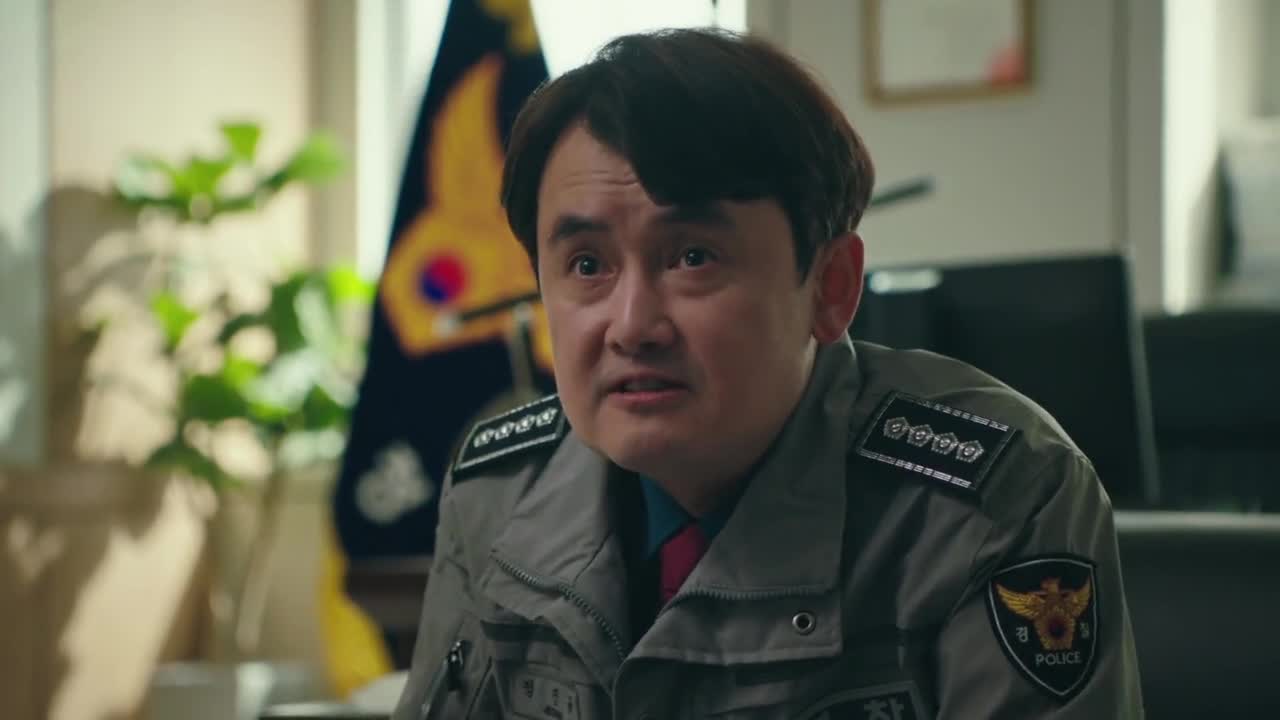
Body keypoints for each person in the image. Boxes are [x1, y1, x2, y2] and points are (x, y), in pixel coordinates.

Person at [393, 27, 1143, 720]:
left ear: (830, 288)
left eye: (693, 257)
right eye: (587, 265)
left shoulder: (992, 502)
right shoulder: (499, 490)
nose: (631, 325)